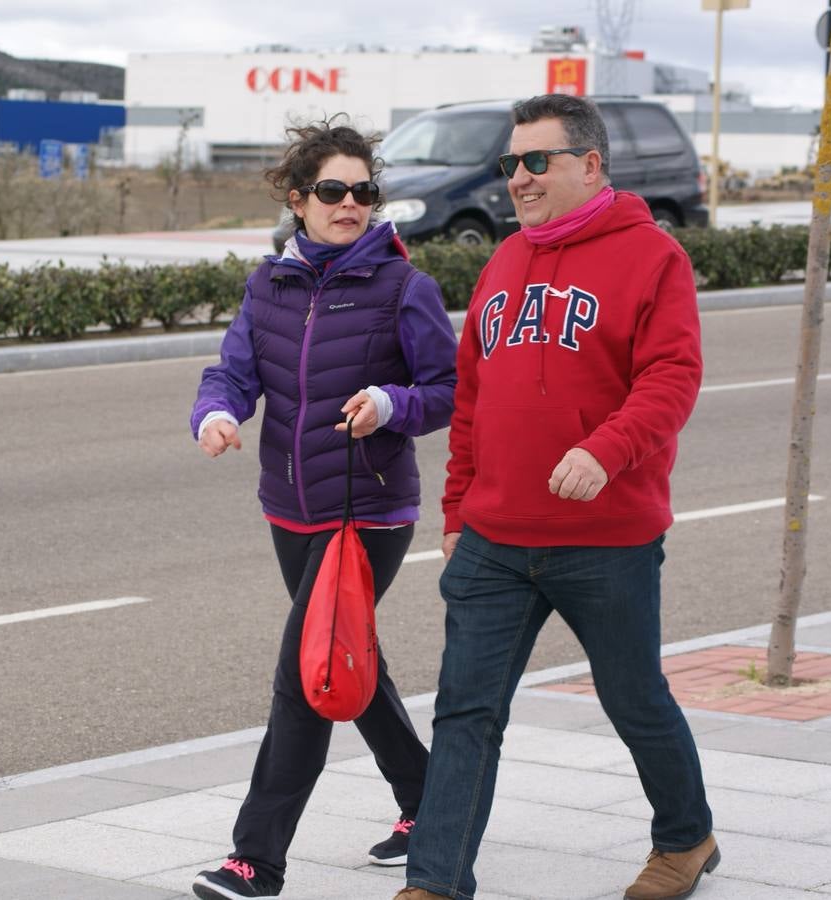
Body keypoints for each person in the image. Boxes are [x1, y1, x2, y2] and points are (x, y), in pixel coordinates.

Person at [395, 94, 717, 900]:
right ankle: (433, 883)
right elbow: (471, 400)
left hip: (605, 538)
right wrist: (458, 511)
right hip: (495, 541)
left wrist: (605, 450)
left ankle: (687, 839)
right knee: (465, 714)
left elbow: (673, 377)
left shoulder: (653, 257)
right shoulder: (505, 261)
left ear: (590, 164)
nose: (519, 179)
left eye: (537, 161)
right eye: (511, 164)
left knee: (634, 699)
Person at [188, 118, 458, 900]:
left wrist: (391, 401)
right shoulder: (269, 283)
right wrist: (216, 413)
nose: (351, 204)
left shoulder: (404, 287)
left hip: (367, 512)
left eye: (364, 191)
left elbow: (448, 390)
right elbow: (234, 370)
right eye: (334, 191)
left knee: (305, 673)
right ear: (299, 199)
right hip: (290, 506)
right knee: (347, 660)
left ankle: (256, 860)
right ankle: (430, 804)